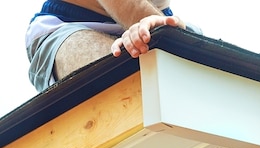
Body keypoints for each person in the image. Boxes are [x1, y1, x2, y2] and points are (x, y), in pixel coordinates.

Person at [26, 0, 260, 148]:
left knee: (214, 103)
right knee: (137, 87)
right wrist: (168, 35)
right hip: (70, 24)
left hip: (163, 21)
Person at [25, 0, 201, 92]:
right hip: (68, 24)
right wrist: (167, 33)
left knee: (212, 71)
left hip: (156, 18)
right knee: (122, 79)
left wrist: (167, 26)